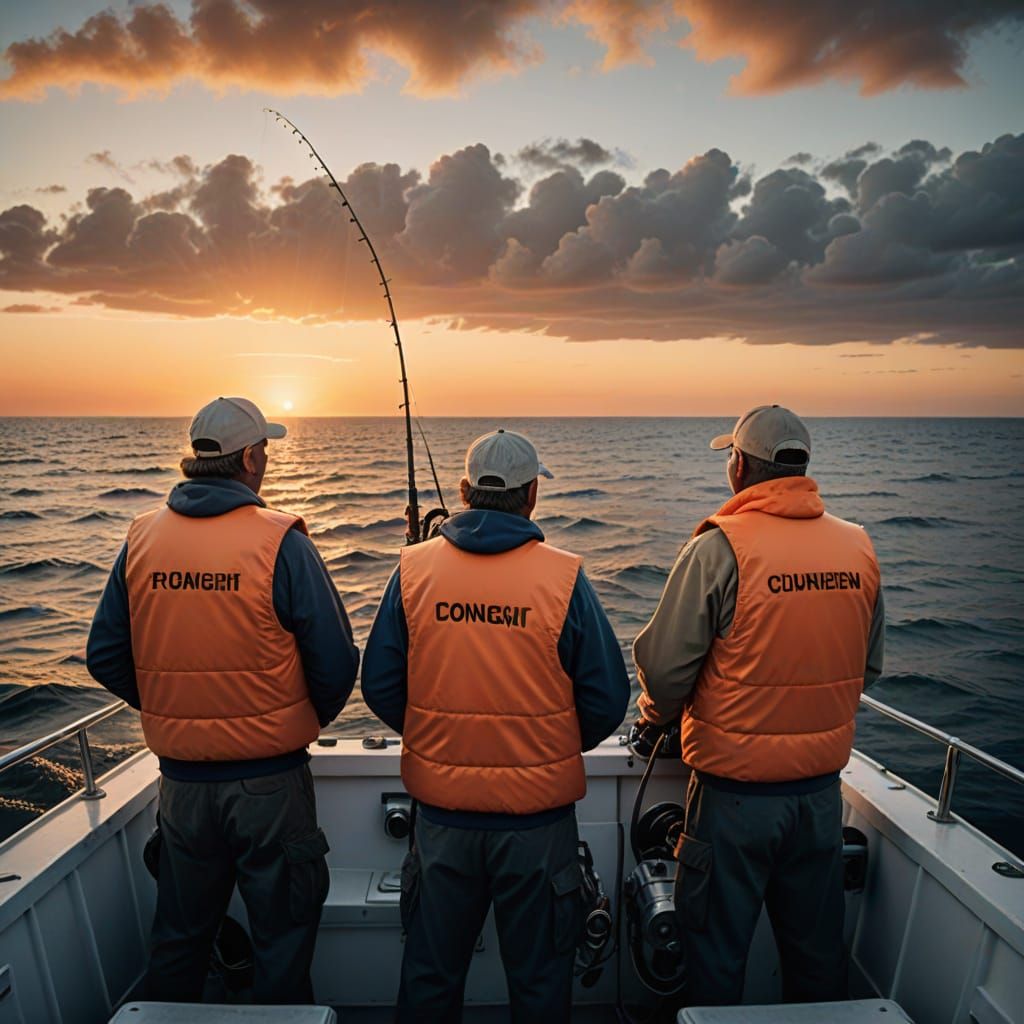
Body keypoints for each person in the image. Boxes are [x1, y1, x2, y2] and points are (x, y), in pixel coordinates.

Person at [86, 396, 360, 1004]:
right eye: (264, 450)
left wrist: (172, 705)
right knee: (282, 940)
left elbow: (105, 655)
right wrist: (300, 721)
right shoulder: (280, 542)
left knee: (180, 939)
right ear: (251, 458)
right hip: (270, 784)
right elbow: (338, 662)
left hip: (181, 788)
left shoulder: (142, 538)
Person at [362, 428, 630, 1023]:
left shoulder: (412, 570)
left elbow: (379, 685)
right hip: (537, 829)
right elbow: (609, 698)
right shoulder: (563, 579)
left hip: (442, 824)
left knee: (430, 979)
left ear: (463, 492)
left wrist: (438, 737)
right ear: (532, 495)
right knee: (539, 985)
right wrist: (546, 747)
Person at [633, 405, 885, 1008]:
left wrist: (653, 717)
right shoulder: (857, 547)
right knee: (818, 958)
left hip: (733, 799)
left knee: (715, 954)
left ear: (740, 467)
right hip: (821, 798)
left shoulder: (720, 549)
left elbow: (666, 671)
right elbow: (867, 668)